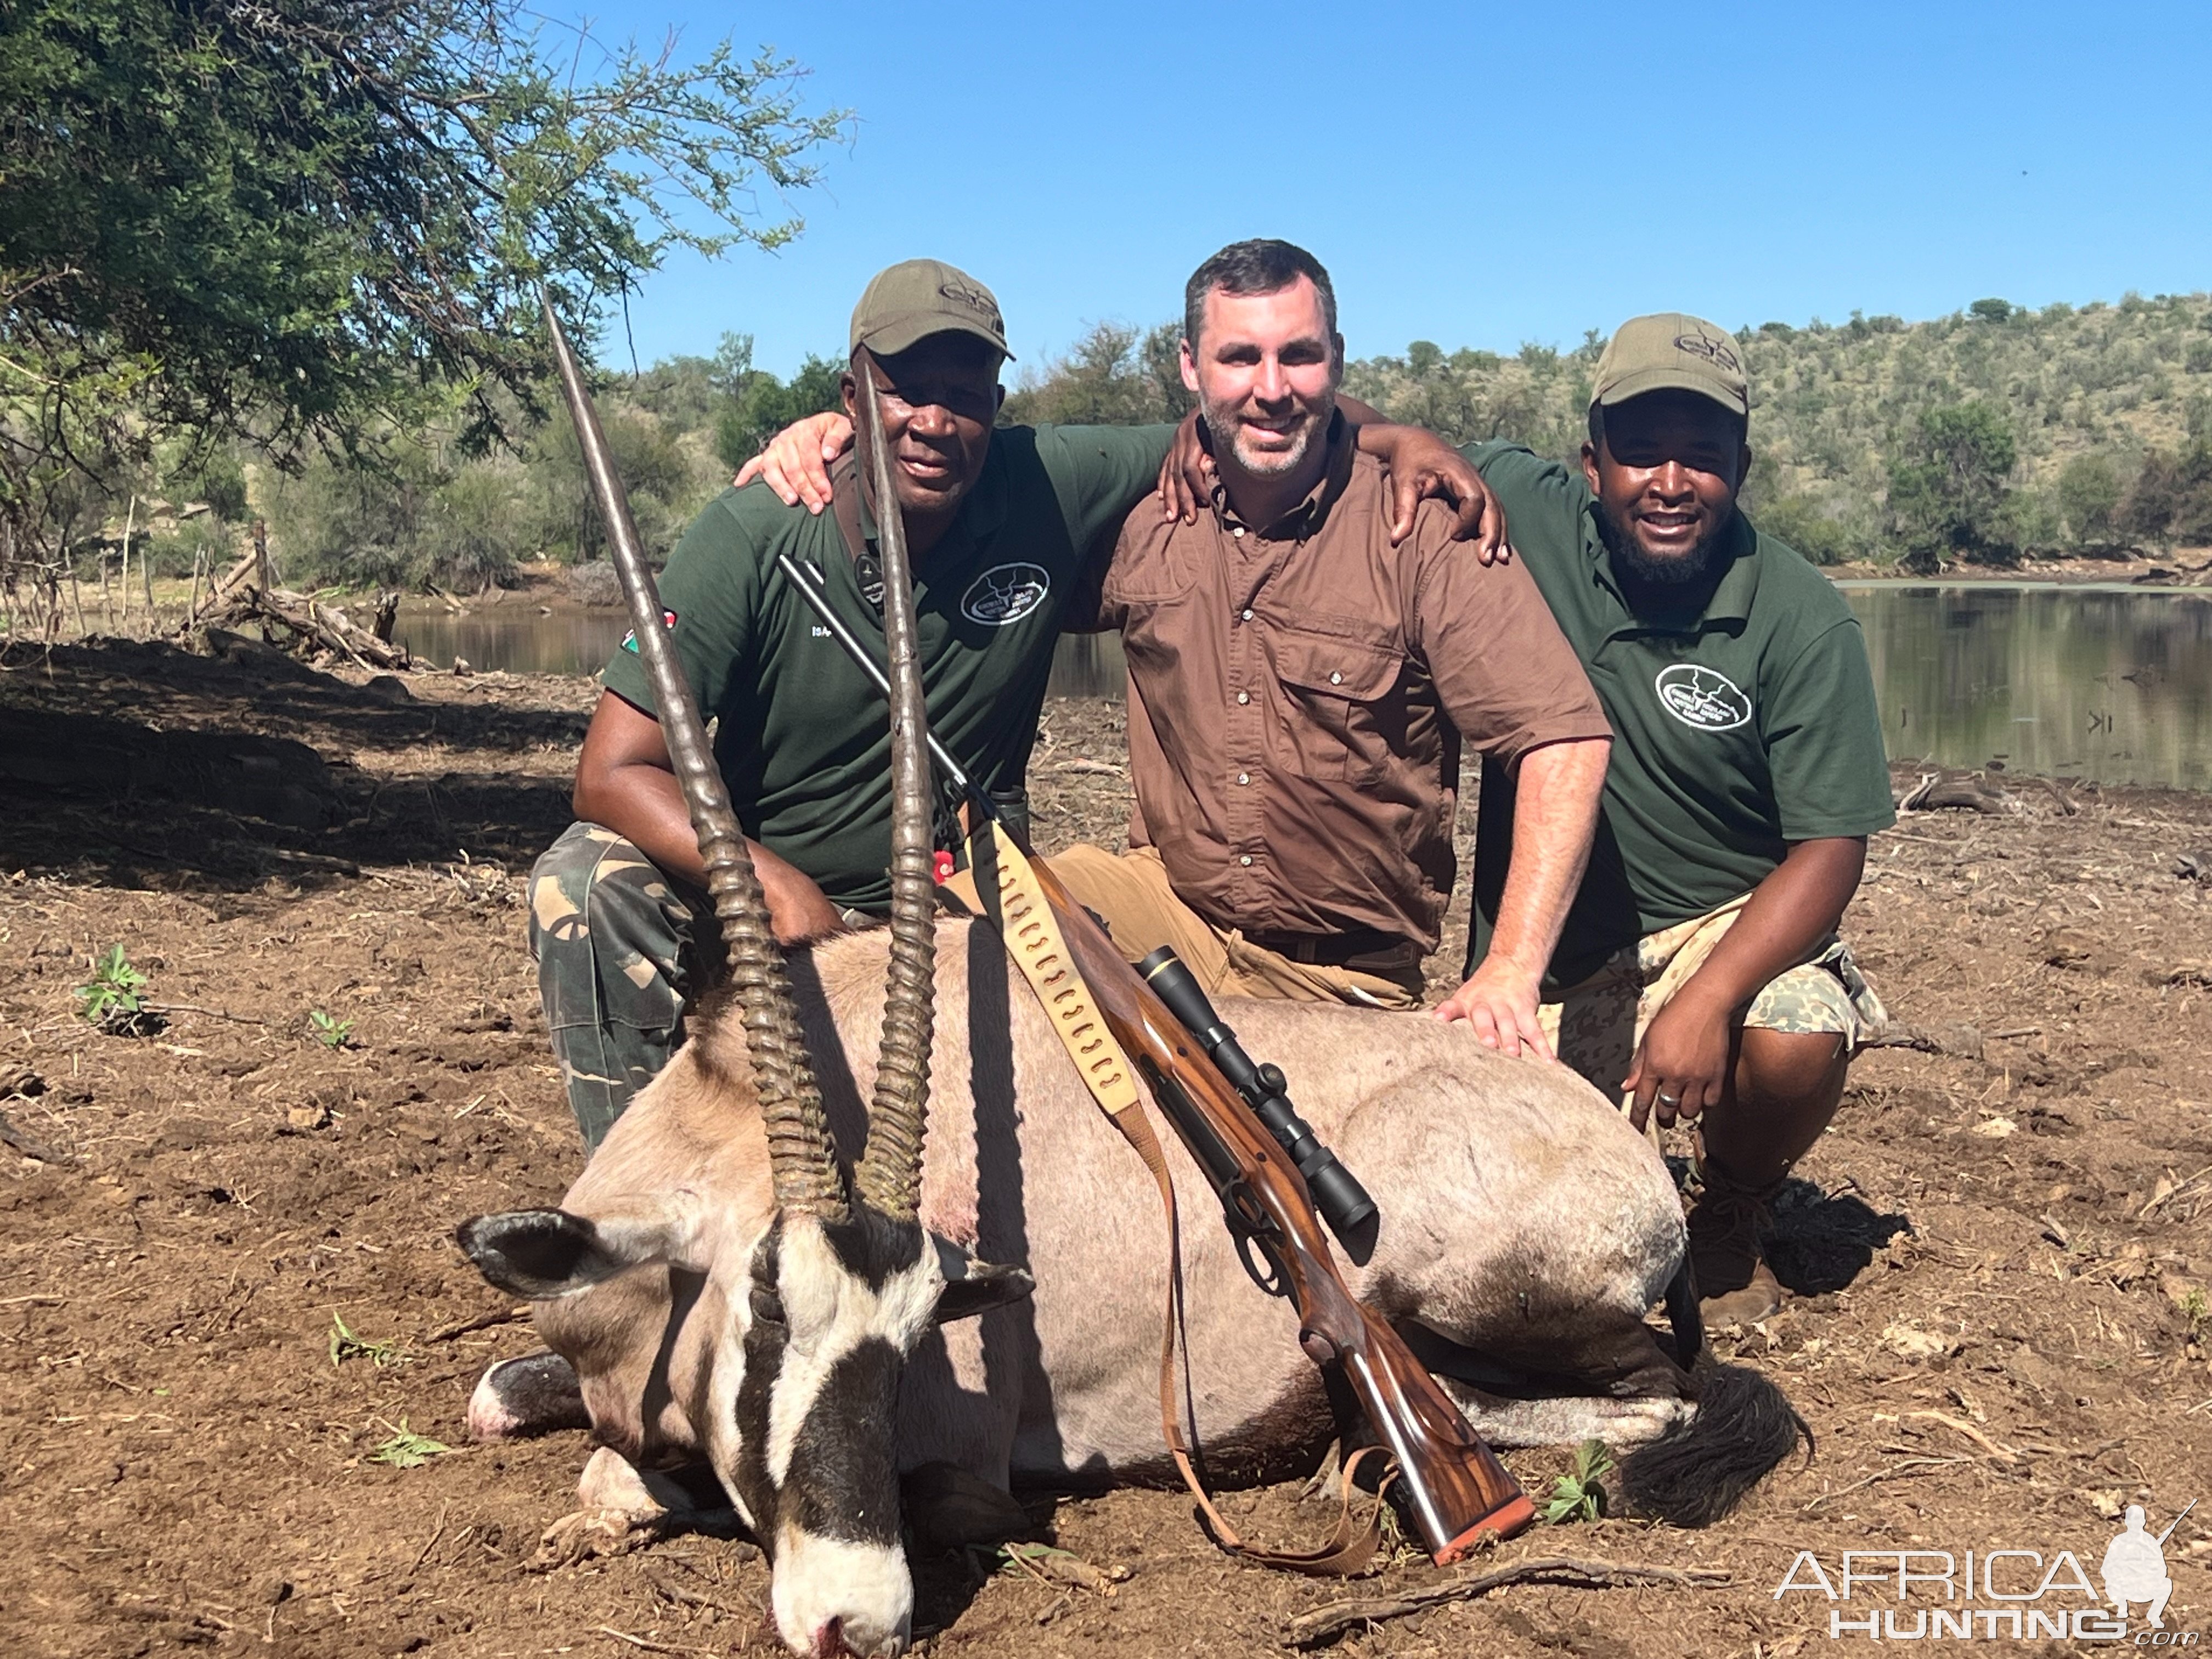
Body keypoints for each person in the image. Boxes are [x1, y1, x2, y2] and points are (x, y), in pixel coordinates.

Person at [535, 257, 1496, 1150]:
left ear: (995, 406)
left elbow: (1261, 408)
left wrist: (1393, 435)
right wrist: (776, 885)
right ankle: (640, 1206)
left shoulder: (1046, 479)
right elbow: (612, 773)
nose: (933, 421)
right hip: (774, 897)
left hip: (957, 897)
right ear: (850, 396)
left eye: (964, 397)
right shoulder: (750, 533)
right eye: (904, 388)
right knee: (586, 883)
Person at [743, 240, 1613, 1052]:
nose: (1272, 387)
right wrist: (839, 436)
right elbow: (960, 498)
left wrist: (1511, 969)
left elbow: (1562, 740)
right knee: (938, 938)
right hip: (1164, 909)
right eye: (1240, 358)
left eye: (1298, 356)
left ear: (1336, 362)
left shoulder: (1418, 525)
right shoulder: (1149, 519)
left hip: (1339, 971)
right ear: (1192, 368)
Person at [1453, 314, 1896, 1322]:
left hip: (1718, 930)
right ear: (1591, 460)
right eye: (1640, 452)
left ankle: (1734, 1204)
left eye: (1702, 457)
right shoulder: (1529, 512)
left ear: (1741, 467)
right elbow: (1381, 442)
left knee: (1795, 1034)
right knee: (1522, 1222)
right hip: (1564, 951)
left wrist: (1711, 998)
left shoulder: (1801, 614)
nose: (1669, 481)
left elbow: (1831, 846)